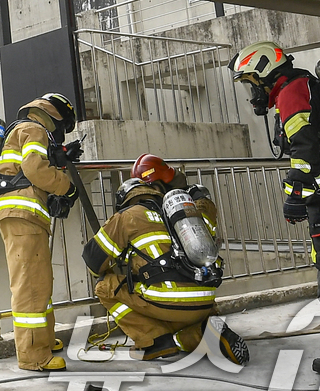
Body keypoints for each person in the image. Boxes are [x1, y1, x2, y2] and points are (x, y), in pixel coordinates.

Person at [230, 40, 320, 374]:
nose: (253, 91)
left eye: (251, 81)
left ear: (264, 70)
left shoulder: (291, 91)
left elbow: (304, 145)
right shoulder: (303, 84)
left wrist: (295, 193)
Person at [83, 154, 249, 364]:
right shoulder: (186, 214)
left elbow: (93, 261)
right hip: (205, 301)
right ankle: (201, 333)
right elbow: (208, 226)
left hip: (167, 301)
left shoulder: (128, 216)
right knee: (176, 316)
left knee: (104, 287)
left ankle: (154, 341)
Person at [0, 92, 83, 371]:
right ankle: (33, 355)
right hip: (23, 215)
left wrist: (59, 156)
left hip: (22, 215)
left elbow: (30, 163)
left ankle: (44, 339)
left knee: (39, 281)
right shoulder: (34, 129)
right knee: (30, 285)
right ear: (56, 117)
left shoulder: (24, 129)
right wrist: (67, 187)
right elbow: (34, 169)